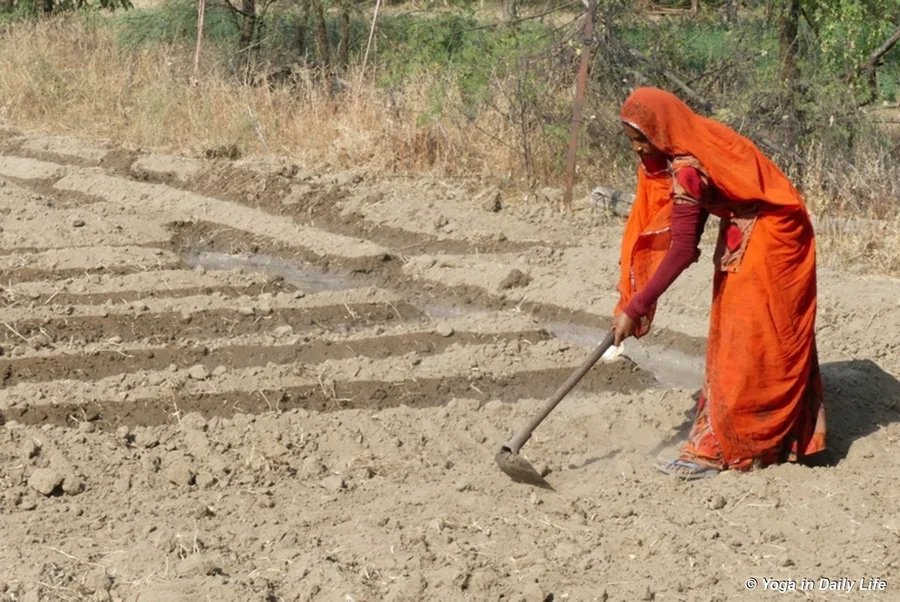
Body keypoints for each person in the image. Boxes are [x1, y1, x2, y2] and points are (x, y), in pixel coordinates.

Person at [610, 87, 826, 479]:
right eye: (632, 142)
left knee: (747, 338)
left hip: (772, 237)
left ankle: (723, 449)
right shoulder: (695, 139)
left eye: (643, 140)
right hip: (756, 227)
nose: (639, 150)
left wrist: (635, 306)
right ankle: (774, 440)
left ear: (661, 131)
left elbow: (680, 251)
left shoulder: (689, 167)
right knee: (747, 334)